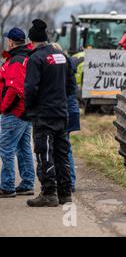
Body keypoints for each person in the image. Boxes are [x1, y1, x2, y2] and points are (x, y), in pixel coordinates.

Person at [25, 19, 76, 207]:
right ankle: (65, 193)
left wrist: (30, 109)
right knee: (62, 153)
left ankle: (48, 192)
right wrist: (61, 99)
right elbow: (71, 85)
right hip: (61, 113)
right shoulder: (61, 55)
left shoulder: (35, 58)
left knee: (44, 153)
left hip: (44, 115)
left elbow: (30, 88)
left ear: (32, 41)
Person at [0, 28, 35, 198]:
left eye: (8, 40)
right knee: (23, 147)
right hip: (26, 111)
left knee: (6, 148)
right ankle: (27, 183)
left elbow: (14, 88)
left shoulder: (16, 60)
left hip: (15, 112)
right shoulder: (27, 57)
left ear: (11, 42)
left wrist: (3, 108)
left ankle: (7, 186)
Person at [53, 43, 80, 192]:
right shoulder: (70, 66)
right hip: (72, 109)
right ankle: (68, 181)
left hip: (65, 110)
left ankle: (68, 181)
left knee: (63, 148)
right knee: (65, 147)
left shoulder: (60, 70)